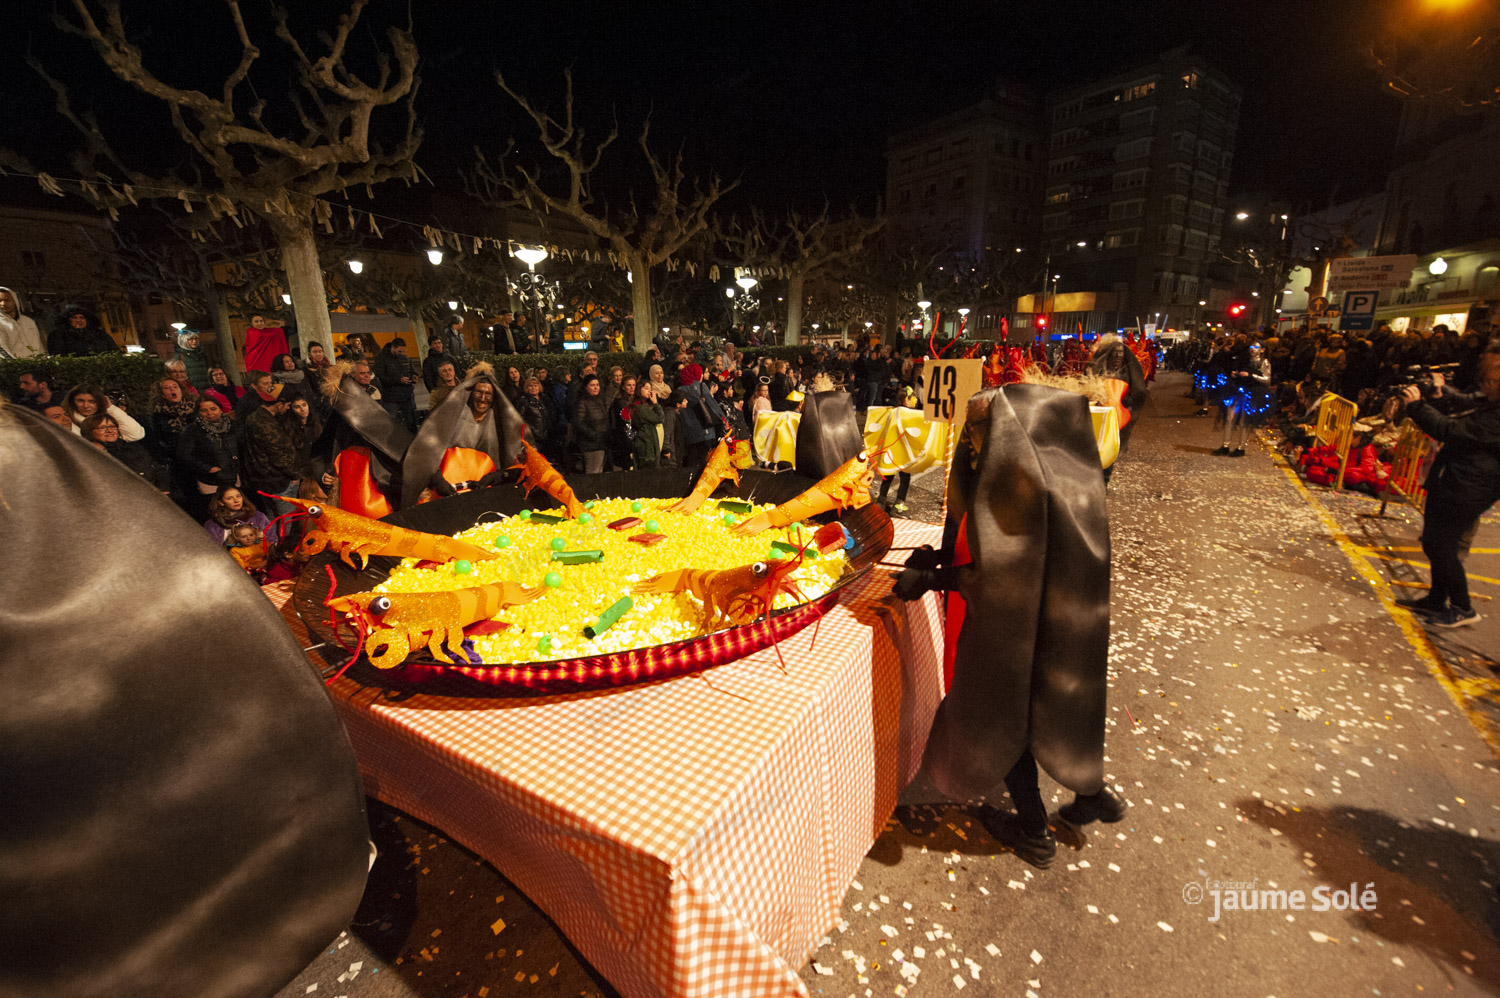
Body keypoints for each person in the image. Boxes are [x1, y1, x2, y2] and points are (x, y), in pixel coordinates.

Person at [1395, 351, 1500, 628]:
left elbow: (1450, 429)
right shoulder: (1490, 402)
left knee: (1440, 545)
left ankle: (1463, 607)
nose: (1486, 382)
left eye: (1491, 378)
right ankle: (1436, 599)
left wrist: (1417, 406)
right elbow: (1464, 405)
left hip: (1469, 487)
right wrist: (1440, 393)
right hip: (1455, 479)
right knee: (1437, 543)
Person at [241, 391, 300, 515]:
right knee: (286, 518)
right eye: (287, 405)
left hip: (262, 478)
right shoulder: (267, 424)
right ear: (279, 405)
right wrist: (295, 475)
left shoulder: (253, 417)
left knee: (271, 514)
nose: (288, 408)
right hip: (278, 480)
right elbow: (278, 455)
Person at [80, 413, 169, 492]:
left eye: (112, 426)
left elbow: (157, 469)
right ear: (89, 431)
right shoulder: (88, 456)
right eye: (102, 427)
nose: (110, 430)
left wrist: (163, 490)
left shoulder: (133, 448)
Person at [1214, 342, 1272, 457]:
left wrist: (1250, 375)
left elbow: (1267, 379)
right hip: (1237, 389)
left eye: (1256, 347)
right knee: (1230, 417)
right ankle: (1225, 445)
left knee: (1244, 420)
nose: (1253, 349)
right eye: (1251, 346)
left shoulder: (1264, 362)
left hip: (1252, 392)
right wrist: (1235, 374)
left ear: (1262, 350)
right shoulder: (1244, 359)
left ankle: (1241, 448)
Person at [63, 384, 145, 442]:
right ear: (72, 401)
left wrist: (111, 409)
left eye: (92, 401)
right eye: (80, 401)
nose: (86, 405)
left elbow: (136, 435)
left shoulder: (107, 418)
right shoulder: (66, 422)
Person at [202, 485, 272, 547]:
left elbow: (272, 540)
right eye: (229, 498)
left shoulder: (257, 516)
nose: (236, 500)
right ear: (221, 502)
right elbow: (212, 549)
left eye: (238, 496)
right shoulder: (212, 525)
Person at [372, 337, 417, 432]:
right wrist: (398, 380)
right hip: (391, 398)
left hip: (406, 396)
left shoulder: (405, 358)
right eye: (400, 351)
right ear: (393, 348)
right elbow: (380, 377)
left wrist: (414, 376)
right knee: (391, 423)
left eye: (403, 351)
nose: (402, 354)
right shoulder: (382, 359)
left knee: (411, 422)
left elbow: (411, 370)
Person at [571, 374, 611, 474]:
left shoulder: (599, 400)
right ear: (586, 387)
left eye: (597, 385)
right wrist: (593, 434)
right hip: (590, 444)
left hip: (601, 442)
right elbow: (579, 423)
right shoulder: (582, 402)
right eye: (592, 385)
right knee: (592, 472)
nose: (596, 387)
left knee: (598, 471)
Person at [48, 307, 117, 355]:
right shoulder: (58, 335)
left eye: (82, 317)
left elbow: (115, 351)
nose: (78, 320)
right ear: (67, 320)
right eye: (74, 317)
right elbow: (57, 354)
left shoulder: (100, 334)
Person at [0, 286, 45, 358]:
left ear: (15, 301)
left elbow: (40, 346)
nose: (3, 304)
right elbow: (2, 350)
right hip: (15, 364)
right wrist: (15, 363)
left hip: (36, 363)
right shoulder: (1, 323)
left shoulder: (28, 321)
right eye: (0, 301)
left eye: (7, 300)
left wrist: (43, 359)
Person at [630, 381, 664, 468]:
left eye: (651, 389)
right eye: (646, 388)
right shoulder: (641, 408)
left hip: (647, 448)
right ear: (639, 390)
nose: (649, 391)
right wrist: (655, 403)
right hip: (647, 450)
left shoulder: (644, 407)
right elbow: (660, 418)